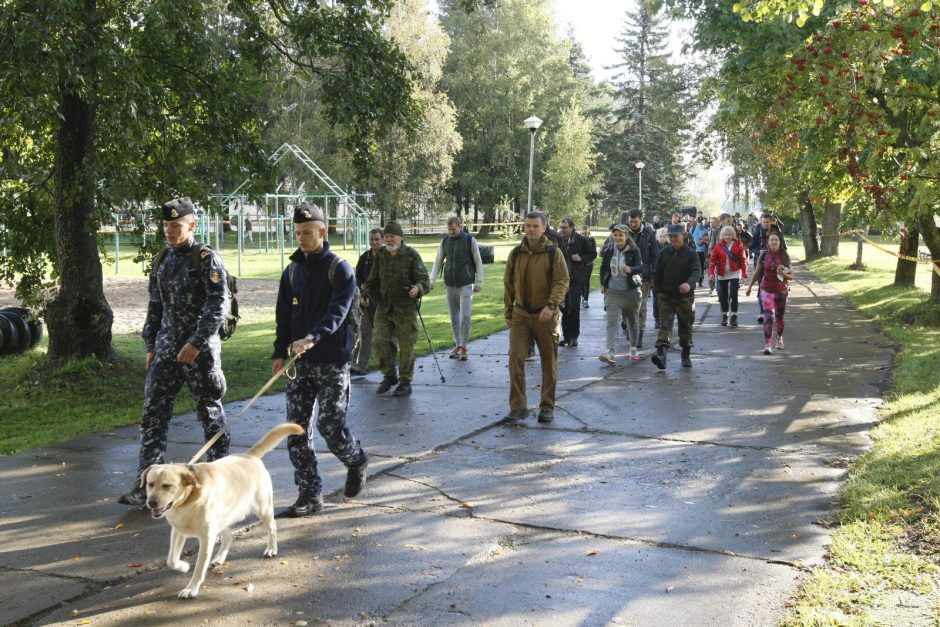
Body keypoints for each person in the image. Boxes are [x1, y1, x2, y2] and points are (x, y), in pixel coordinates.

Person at [119, 197, 231, 506]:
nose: (170, 231)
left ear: (191, 225)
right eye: (167, 226)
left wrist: (196, 342)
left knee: (209, 413)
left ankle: (222, 481)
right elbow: (155, 306)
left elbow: (217, 304)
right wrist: (151, 346)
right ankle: (146, 486)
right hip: (166, 350)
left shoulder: (206, 258)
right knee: (152, 414)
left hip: (199, 351)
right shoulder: (161, 260)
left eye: (176, 226)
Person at [271, 203, 369, 517]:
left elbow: (337, 313)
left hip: (331, 360)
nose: (301, 238)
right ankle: (309, 495)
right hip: (299, 364)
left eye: (307, 232)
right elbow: (284, 316)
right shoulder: (292, 271)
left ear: (322, 232)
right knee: (296, 430)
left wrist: (313, 337)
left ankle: (356, 459)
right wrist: (278, 351)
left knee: (330, 425)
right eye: (298, 233)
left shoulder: (339, 268)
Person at [503, 211, 569, 423]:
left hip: (545, 315)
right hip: (521, 314)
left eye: (534, 226)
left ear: (544, 227)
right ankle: (518, 407)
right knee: (515, 358)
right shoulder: (516, 253)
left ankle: (547, 407)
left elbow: (562, 281)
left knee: (549, 362)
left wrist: (551, 305)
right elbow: (508, 284)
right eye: (527, 225)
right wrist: (508, 311)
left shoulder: (553, 253)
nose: (530, 229)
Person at [361, 220, 430, 397]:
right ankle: (389, 375)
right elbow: (372, 280)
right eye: (387, 236)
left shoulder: (411, 255)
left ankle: (405, 382)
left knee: (406, 345)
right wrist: (367, 295)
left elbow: (424, 281)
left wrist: (417, 289)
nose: (389, 239)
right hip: (384, 307)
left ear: (401, 238)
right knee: (380, 341)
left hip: (405, 308)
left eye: (393, 236)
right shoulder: (382, 255)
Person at [430, 216, 484, 360]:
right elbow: (438, 262)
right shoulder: (445, 241)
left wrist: (479, 282)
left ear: (461, 226)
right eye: (449, 230)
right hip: (449, 284)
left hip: (465, 283)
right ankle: (458, 344)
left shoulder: (469, 240)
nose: (451, 232)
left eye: (453, 229)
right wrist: (432, 279)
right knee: (454, 317)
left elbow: (478, 261)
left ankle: (464, 346)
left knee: (465, 316)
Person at [651, 223, 701, 370]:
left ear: (683, 235)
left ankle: (686, 355)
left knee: (685, 326)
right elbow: (657, 272)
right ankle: (661, 356)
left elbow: (696, 272)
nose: (673, 239)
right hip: (666, 296)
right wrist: (658, 290)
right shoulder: (664, 253)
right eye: (670, 236)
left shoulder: (692, 253)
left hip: (685, 297)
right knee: (664, 325)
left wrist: (689, 284)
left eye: (675, 236)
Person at [598, 224, 643, 364]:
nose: (617, 238)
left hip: (631, 293)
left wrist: (631, 269)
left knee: (632, 322)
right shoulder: (609, 249)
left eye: (620, 235)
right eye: (615, 235)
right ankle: (610, 352)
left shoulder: (634, 250)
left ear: (626, 236)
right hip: (613, 292)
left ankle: (633, 347)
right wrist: (603, 284)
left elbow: (641, 267)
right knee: (612, 322)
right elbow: (603, 268)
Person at [747, 232, 793, 354]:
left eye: (776, 240)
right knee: (768, 316)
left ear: (780, 242)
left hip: (781, 290)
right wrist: (750, 287)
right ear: (768, 242)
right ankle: (768, 344)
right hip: (766, 288)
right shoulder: (763, 255)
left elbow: (791, 276)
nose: (773, 242)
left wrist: (783, 273)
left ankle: (779, 337)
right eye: (771, 240)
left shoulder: (784, 256)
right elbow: (757, 272)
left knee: (779, 318)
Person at [350, 228, 384, 376]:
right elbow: (357, 278)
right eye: (372, 240)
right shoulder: (364, 258)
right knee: (364, 332)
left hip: (382, 302)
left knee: (385, 334)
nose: (374, 242)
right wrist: (362, 294)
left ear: (382, 240)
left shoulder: (387, 257)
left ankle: (389, 366)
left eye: (377, 239)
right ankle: (360, 365)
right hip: (365, 300)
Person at [558, 217, 595, 347]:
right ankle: (566, 336)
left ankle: (574, 336)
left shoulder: (581, 240)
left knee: (573, 307)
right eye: (560, 227)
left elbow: (592, 254)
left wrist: (581, 258)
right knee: (563, 308)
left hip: (575, 279)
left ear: (572, 227)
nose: (562, 230)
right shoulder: (558, 240)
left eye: (564, 227)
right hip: (561, 280)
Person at [626, 209, 657, 348]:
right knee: (627, 304)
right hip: (625, 273)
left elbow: (654, 255)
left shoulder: (649, 234)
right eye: (631, 221)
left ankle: (639, 334)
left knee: (641, 304)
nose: (633, 224)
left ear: (641, 220)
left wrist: (654, 274)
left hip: (643, 275)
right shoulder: (624, 232)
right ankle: (629, 327)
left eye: (635, 221)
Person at [708, 225, 748, 327]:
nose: (727, 236)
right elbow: (712, 262)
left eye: (729, 234)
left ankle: (734, 316)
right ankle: (725, 315)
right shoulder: (718, 246)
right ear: (722, 235)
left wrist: (744, 275)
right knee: (723, 296)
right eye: (725, 234)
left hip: (734, 273)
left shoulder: (738, 245)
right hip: (722, 274)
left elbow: (743, 261)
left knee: (734, 295)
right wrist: (711, 273)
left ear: (733, 235)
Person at [749, 213, 787, 323]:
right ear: (761, 222)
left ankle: (773, 310)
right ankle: (763, 312)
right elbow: (752, 247)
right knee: (762, 288)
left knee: (776, 289)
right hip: (761, 263)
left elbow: (784, 247)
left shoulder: (777, 233)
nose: (765, 224)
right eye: (763, 222)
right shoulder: (757, 232)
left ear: (771, 222)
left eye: (767, 222)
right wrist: (758, 252)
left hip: (776, 264)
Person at [650, 227, 668, 330]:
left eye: (664, 236)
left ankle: (664, 319)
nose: (662, 238)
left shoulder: (670, 247)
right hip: (656, 277)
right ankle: (657, 319)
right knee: (656, 300)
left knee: (666, 300)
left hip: (667, 277)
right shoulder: (654, 247)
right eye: (660, 236)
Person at [579, 225, 597, 308]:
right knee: (579, 281)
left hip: (588, 264)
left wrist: (587, 261)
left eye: (586, 233)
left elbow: (593, 253)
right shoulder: (578, 240)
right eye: (583, 233)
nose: (585, 235)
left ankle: (585, 299)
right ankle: (580, 297)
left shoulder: (592, 240)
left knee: (586, 281)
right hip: (579, 265)